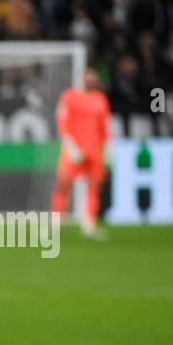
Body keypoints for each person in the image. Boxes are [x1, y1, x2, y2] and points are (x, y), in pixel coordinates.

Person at [51, 67, 111, 239]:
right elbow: (62, 123)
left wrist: (106, 150)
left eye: (94, 78)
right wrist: (70, 147)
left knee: (94, 186)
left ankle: (89, 225)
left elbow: (104, 128)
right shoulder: (69, 97)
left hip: (94, 149)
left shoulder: (100, 99)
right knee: (63, 184)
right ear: (82, 79)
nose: (91, 81)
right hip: (74, 150)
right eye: (88, 78)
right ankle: (56, 224)